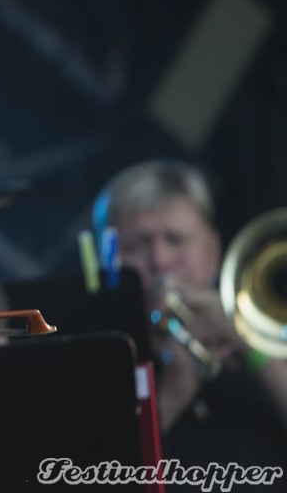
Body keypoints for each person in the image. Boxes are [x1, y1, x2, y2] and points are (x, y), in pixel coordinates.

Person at [103, 160, 287, 486]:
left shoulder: (270, 338)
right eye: (136, 246)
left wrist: (248, 344)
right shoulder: (103, 361)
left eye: (175, 239)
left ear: (213, 251)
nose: (159, 260)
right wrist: (170, 394)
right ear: (109, 260)